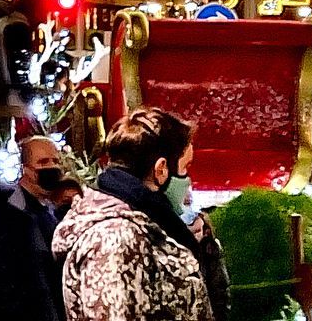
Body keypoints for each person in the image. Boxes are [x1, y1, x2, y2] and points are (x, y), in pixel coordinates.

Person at [53, 108, 213, 321]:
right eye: (186, 168)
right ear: (162, 169)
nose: (188, 180)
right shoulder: (115, 238)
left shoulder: (143, 227)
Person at [0, 136, 66, 321]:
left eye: (55, 161)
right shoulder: (5, 215)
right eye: (43, 161)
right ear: (26, 169)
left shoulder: (49, 214)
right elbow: (1, 285)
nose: (51, 167)